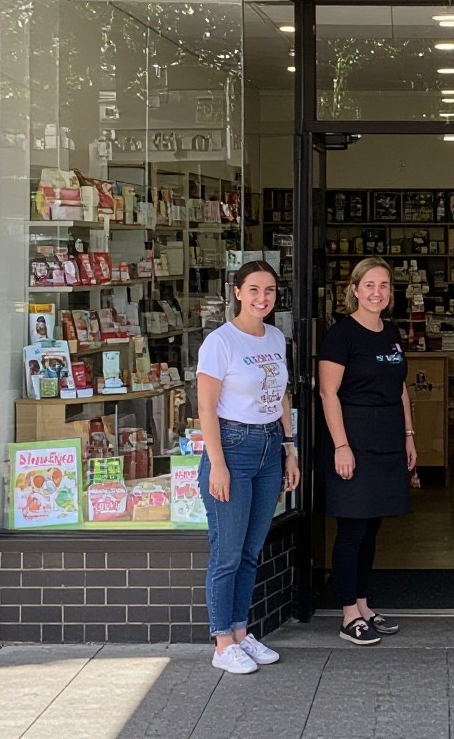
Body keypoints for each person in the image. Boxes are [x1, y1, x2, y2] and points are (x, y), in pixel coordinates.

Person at [196, 260, 299, 674]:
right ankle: (222, 642)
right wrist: (217, 464)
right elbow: (206, 407)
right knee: (227, 553)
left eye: (269, 291)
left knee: (251, 551)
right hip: (232, 447)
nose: (262, 298)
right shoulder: (220, 342)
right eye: (254, 290)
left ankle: (241, 632)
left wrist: (290, 448)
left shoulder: (274, 336)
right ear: (237, 292)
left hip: (269, 445)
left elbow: (282, 395)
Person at [318, 257, 416, 645]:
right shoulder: (341, 335)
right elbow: (328, 393)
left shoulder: (390, 332)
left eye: (384, 285)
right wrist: (341, 446)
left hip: (388, 439)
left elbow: (400, 386)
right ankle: (347, 614)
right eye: (370, 285)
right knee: (352, 527)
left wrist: (409, 435)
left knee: (372, 526)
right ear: (355, 290)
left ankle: (362, 604)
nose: (378, 292)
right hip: (354, 439)